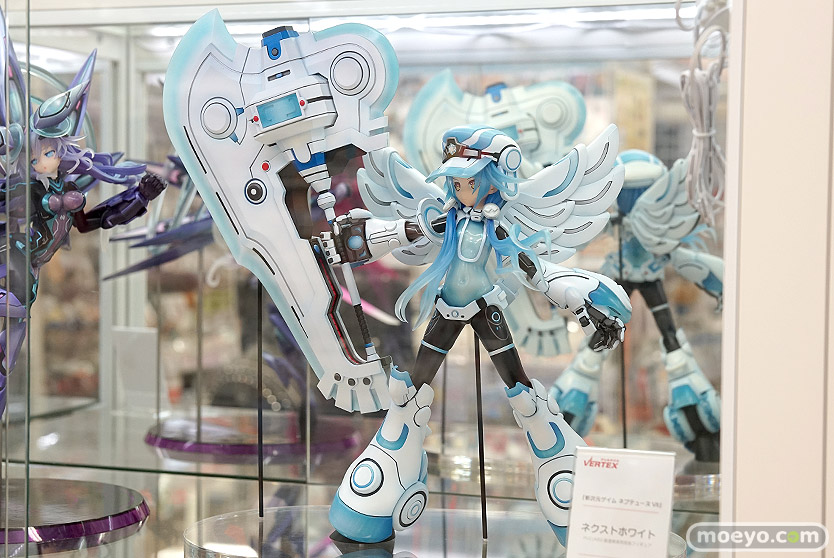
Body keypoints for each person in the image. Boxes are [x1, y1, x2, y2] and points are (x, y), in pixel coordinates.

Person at [324, 125, 631, 546]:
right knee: (410, 393)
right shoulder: (445, 218)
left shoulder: (496, 227)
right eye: (455, 181)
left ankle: (561, 471)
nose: (460, 189)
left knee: (522, 391)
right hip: (447, 309)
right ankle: (386, 471)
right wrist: (356, 240)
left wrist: (580, 299)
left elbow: (532, 268)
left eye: (468, 181)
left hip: (488, 309)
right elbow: (403, 231)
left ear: (494, 179)